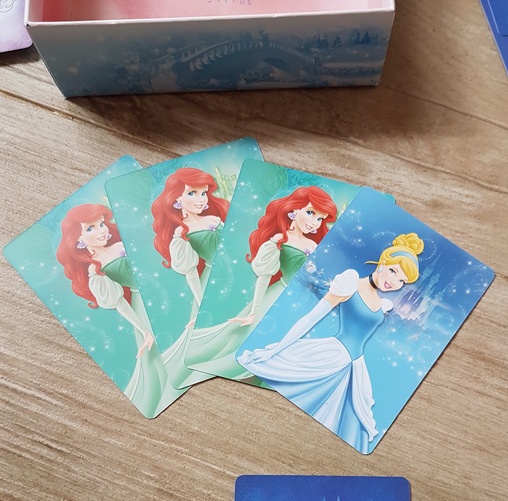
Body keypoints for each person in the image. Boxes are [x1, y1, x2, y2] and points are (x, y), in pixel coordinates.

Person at [237, 233, 425, 452]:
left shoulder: (383, 303)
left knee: (342, 423)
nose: (394, 282)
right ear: (383, 262)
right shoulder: (350, 283)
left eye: (402, 281)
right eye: (393, 271)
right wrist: (278, 348)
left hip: (355, 367)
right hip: (333, 356)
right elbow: (312, 317)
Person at [171, 185, 338, 387]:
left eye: (320, 218)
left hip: (303, 303)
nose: (314, 222)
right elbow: (264, 277)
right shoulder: (279, 240)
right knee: (255, 349)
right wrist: (254, 310)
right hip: (278, 299)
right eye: (310, 213)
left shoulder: (313, 245)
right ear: (294, 210)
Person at [56, 203, 171, 417]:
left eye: (101, 224)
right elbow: (120, 303)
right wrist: (144, 331)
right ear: (78, 238)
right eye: (90, 228)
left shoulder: (121, 244)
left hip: (159, 290)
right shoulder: (95, 269)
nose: (101, 231)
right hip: (141, 304)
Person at [151, 167, 229, 328]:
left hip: (234, 270)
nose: (201, 199)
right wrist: (202, 305)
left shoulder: (214, 219)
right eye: (192, 193)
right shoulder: (181, 232)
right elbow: (191, 275)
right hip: (213, 280)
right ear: (177, 197)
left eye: (204, 193)